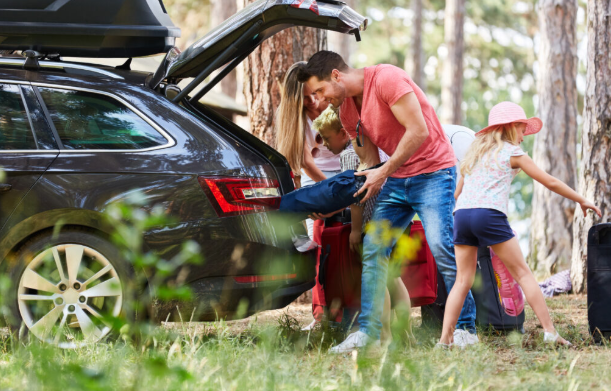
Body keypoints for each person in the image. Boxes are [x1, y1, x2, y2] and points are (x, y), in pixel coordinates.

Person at [296, 51, 478, 353]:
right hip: (397, 179)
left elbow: (418, 131)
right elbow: (368, 162)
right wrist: (335, 201)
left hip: (433, 173)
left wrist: (383, 172)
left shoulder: (387, 79)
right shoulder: (346, 113)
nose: (318, 100)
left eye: (320, 90)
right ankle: (369, 332)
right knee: (374, 249)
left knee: (443, 249)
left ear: (337, 76)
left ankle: (465, 328)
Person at [438, 101, 602, 347]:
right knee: (524, 274)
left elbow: (458, 192)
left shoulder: (475, 153)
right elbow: (550, 182)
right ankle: (550, 332)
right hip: (488, 215)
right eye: (523, 129)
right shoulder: (512, 153)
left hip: (461, 217)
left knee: (462, 281)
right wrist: (582, 200)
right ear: (511, 127)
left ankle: (444, 341)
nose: (524, 136)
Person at [312, 105, 413, 344]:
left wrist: (355, 230)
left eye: (327, 137)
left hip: (374, 221)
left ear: (342, 132)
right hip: (399, 217)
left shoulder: (350, 154)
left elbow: (355, 196)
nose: (325, 144)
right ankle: (406, 333)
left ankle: (385, 335)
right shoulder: (381, 146)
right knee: (394, 277)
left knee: (378, 276)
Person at [275, 62, 341, 330]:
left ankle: (348, 311)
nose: (313, 101)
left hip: (347, 174)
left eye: (314, 93)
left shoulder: (332, 101)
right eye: (305, 98)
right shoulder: (293, 116)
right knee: (322, 248)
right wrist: (331, 193)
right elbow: (305, 161)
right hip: (322, 184)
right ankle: (321, 315)